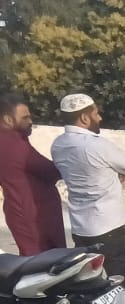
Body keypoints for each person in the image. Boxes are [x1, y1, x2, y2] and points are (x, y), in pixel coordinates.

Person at [50, 93, 125, 280]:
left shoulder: (58, 145)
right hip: (110, 228)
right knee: (121, 280)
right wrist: (115, 174)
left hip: (81, 229)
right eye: (96, 114)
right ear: (84, 118)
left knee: (90, 281)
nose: (99, 118)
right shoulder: (97, 145)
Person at [0, 94, 66, 255]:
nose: (30, 121)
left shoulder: (13, 141)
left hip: (23, 210)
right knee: (44, 264)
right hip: (31, 214)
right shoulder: (13, 144)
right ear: (8, 120)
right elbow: (50, 171)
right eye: (25, 117)